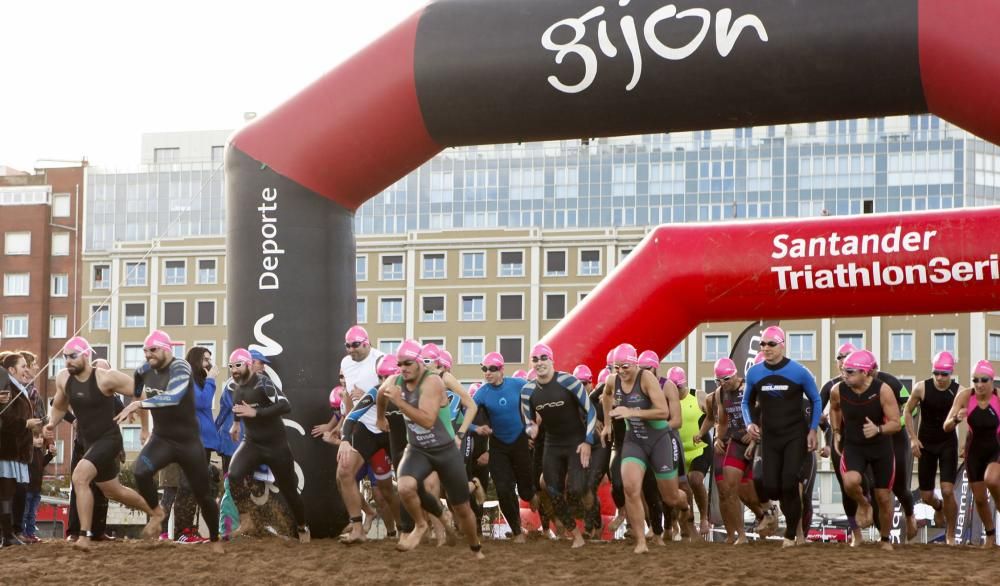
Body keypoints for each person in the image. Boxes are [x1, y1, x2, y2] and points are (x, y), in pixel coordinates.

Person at [43, 337, 163, 550]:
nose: (68, 361)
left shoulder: (106, 378)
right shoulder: (63, 378)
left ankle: (84, 536)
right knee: (112, 490)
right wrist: (52, 423)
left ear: (86, 355)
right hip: (88, 442)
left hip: (109, 439)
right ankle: (156, 512)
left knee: (80, 477)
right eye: (65, 357)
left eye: (73, 356)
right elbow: (60, 405)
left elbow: (140, 393)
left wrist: (145, 429)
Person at [115, 330, 222, 552]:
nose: (147, 355)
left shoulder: (180, 367)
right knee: (140, 472)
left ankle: (215, 538)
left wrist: (139, 405)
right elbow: (137, 383)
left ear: (166, 350)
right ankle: (156, 512)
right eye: (145, 351)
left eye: (152, 350)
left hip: (188, 441)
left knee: (202, 494)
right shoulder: (144, 369)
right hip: (162, 438)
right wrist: (135, 399)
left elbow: (173, 397)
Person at [376, 339, 483, 558]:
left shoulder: (434, 381)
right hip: (417, 449)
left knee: (462, 508)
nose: (402, 369)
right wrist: (380, 418)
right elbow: (381, 393)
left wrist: (400, 402)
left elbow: (427, 420)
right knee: (405, 486)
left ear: (419, 362)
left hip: (445, 449)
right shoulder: (396, 380)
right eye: (400, 364)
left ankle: (475, 546)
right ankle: (421, 526)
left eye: (407, 363)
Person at [602, 343, 688, 554]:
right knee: (630, 488)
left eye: (625, 367)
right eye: (616, 367)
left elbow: (662, 411)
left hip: (659, 440)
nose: (621, 372)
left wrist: (631, 412)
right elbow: (606, 395)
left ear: (635, 364)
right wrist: (606, 424)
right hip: (635, 440)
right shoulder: (613, 380)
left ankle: (685, 503)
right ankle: (641, 541)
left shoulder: (646, 378)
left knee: (670, 498)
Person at [742, 326, 821, 548]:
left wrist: (813, 429)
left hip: (794, 435)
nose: (766, 348)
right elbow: (746, 401)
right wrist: (750, 423)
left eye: (771, 344)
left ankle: (790, 535)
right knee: (770, 486)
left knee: (789, 483)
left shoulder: (798, 372)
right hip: (771, 437)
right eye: (763, 344)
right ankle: (777, 514)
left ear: (782, 345)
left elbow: (815, 400)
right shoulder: (755, 372)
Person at [222, 348, 310, 543]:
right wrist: (235, 425)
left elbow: (286, 405)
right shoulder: (236, 388)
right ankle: (246, 520)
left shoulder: (263, 383)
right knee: (233, 474)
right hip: (252, 443)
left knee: (289, 490)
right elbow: (238, 407)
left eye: (237, 365)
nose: (234, 370)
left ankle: (302, 526)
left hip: (275, 445)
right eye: (231, 367)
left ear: (248, 364)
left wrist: (257, 414)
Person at [521, 343, 595, 548]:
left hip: (576, 442)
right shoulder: (527, 391)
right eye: (535, 359)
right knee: (552, 491)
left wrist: (588, 441)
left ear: (552, 360)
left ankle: (589, 520)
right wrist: (531, 430)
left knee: (575, 489)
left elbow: (591, 411)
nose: (540, 362)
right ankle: (575, 535)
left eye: (544, 358)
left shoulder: (568, 381)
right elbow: (528, 422)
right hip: (552, 445)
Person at [828, 349, 900, 550]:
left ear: (865, 372)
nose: (845, 374)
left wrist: (878, 429)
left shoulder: (883, 390)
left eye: (850, 372)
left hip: (880, 447)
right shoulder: (838, 390)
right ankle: (863, 504)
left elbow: (896, 423)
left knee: (884, 497)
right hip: (854, 445)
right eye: (844, 370)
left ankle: (885, 539)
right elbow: (834, 408)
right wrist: (836, 431)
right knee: (849, 481)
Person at [467, 351, 534, 542]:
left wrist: (534, 423)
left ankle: (532, 496)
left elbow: (538, 397)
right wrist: (477, 428)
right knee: (503, 488)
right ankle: (517, 531)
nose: (487, 373)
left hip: (520, 441)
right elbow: (466, 417)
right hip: (498, 445)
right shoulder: (482, 392)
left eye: (492, 369)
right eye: (484, 369)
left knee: (526, 492)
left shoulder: (518, 384)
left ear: (502, 370)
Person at [710, 358, 775, 543]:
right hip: (736, 441)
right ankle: (741, 535)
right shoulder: (719, 393)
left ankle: (767, 513)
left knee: (750, 490)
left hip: (757, 439)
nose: (723, 383)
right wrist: (717, 438)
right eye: (719, 380)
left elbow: (767, 413)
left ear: (736, 374)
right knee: (729, 487)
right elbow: (722, 420)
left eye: (726, 379)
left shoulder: (750, 387)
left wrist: (757, 433)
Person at [903, 351, 960, 544]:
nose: (940, 378)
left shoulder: (959, 391)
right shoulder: (921, 388)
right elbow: (907, 411)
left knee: (947, 489)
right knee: (926, 495)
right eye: (936, 373)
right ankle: (939, 507)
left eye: (944, 374)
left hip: (947, 443)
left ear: (951, 373)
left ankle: (950, 534)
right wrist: (912, 438)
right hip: (925, 443)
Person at [943, 359, 1000, 548]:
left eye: (984, 380)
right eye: (975, 380)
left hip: (996, 448)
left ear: (992, 380)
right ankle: (990, 535)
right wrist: (956, 420)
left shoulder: (998, 398)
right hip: (974, 452)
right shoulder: (966, 396)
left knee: (991, 479)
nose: (979, 384)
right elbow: (946, 426)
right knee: (980, 500)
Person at [1, 352, 43, 547]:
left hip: (19, 451)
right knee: (8, 492)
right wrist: (26, 424)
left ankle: (15, 531)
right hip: (9, 450)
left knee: (19, 491)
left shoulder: (20, 388)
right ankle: (8, 535)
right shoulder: (6, 386)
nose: (27, 370)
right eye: (23, 366)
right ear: (11, 369)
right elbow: (5, 417)